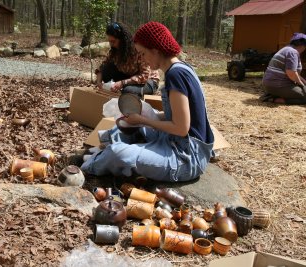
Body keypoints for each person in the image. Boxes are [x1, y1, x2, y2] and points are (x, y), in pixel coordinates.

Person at [81, 22, 214, 182]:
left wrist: (144, 120)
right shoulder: (182, 68)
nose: (142, 59)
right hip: (178, 142)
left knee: (119, 153)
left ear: (155, 50)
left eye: (143, 54)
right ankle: (100, 150)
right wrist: (146, 116)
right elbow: (180, 116)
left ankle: (86, 167)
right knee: (128, 127)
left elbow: (180, 128)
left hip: (186, 157)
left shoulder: (176, 75)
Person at [95, 22, 159, 97]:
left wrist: (123, 83)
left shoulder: (137, 50)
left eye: (113, 41)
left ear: (122, 40)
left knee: (127, 91)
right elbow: (103, 67)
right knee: (107, 69)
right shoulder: (114, 51)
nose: (111, 44)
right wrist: (99, 81)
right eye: (110, 42)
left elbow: (144, 76)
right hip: (130, 78)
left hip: (148, 80)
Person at [261, 32, 306, 105]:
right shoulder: (293, 52)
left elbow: (294, 73)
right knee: (304, 98)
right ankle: (273, 99)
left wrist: (304, 82)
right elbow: (291, 73)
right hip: (278, 85)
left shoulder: (286, 49)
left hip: (270, 84)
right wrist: (302, 85)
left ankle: (273, 94)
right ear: (302, 45)